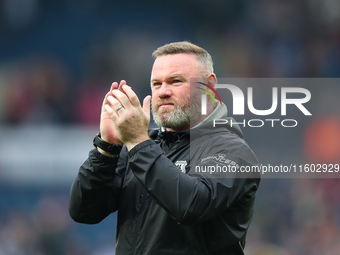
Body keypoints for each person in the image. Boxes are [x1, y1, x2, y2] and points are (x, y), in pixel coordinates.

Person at [69, 41, 260, 255]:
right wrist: (106, 148)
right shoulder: (140, 148)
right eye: (156, 84)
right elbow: (84, 211)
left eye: (175, 81)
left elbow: (192, 205)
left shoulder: (233, 150)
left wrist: (139, 143)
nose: (163, 92)